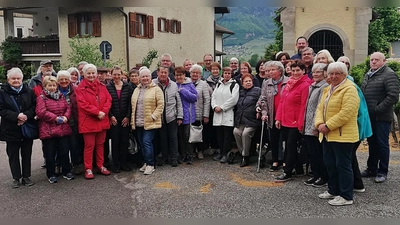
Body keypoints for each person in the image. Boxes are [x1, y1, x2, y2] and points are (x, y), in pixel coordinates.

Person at [315, 62, 360, 206]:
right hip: (328, 135)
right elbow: (319, 109)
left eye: (337, 73)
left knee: (343, 165)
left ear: (344, 74)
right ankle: (333, 190)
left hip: (343, 135)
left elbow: (347, 112)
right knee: (330, 164)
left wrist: (328, 125)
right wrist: (319, 124)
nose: (333, 76)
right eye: (331, 73)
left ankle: (346, 195)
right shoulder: (328, 89)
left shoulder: (350, 89)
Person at [360, 52, 400, 183]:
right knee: (372, 143)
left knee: (382, 144)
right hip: (369, 116)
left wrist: (378, 109)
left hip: (381, 117)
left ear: (384, 61)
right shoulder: (368, 74)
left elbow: (393, 96)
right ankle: (371, 168)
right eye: (372, 60)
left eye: (377, 60)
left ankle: (382, 171)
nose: (373, 62)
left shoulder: (389, 74)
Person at [274, 60, 310, 182]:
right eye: (293, 70)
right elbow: (282, 102)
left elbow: (304, 106)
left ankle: (287, 171)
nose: (295, 73)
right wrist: (278, 118)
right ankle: (298, 168)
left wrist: (300, 124)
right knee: (289, 146)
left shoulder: (305, 85)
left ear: (303, 71)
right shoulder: (289, 83)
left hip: (295, 123)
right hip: (285, 121)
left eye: (298, 70)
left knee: (290, 146)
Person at [0, 67, 36, 188]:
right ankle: (16, 177)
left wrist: (25, 116)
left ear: (22, 79)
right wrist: (16, 116)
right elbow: (1, 109)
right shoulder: (2, 92)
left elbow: (34, 107)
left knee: (27, 153)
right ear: (8, 79)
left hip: (26, 128)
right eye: (13, 78)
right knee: (13, 154)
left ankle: (26, 176)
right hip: (10, 128)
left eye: (18, 78)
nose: (16, 80)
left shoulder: (29, 91)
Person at [76, 63, 112, 179]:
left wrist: (104, 112)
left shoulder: (102, 86)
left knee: (100, 144)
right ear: (84, 74)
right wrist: (97, 112)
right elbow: (83, 105)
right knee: (89, 146)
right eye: (89, 73)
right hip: (89, 121)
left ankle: (100, 165)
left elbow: (108, 100)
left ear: (96, 74)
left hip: (101, 120)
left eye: (93, 73)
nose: (91, 75)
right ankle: (88, 168)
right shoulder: (80, 88)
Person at [36, 75, 74, 183]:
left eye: (54, 85)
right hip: (49, 130)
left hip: (63, 128)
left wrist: (66, 117)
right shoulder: (41, 97)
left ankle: (66, 171)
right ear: (45, 86)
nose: (52, 87)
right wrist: (55, 118)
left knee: (64, 152)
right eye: (50, 85)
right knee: (50, 154)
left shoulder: (61, 96)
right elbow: (41, 112)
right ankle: (51, 174)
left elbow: (68, 107)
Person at [131, 67, 164, 175]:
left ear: (150, 77)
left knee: (146, 142)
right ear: (140, 78)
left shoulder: (156, 89)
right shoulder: (137, 89)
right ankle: (146, 162)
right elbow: (133, 106)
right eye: (143, 76)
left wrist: (153, 116)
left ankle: (150, 164)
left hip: (150, 121)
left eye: (147, 76)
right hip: (138, 121)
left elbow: (160, 105)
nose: (145, 78)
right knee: (141, 143)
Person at [257, 61, 289, 171]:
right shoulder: (266, 83)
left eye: (272, 70)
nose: (270, 72)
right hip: (272, 114)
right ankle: (276, 160)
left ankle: (285, 161)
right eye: (268, 70)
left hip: (285, 115)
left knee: (285, 140)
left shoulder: (288, 81)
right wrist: (264, 114)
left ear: (280, 71)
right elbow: (263, 99)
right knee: (274, 139)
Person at [302, 63, 329, 187]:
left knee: (319, 154)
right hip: (307, 125)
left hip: (315, 126)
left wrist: (315, 126)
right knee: (312, 153)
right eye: (313, 72)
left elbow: (320, 108)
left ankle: (323, 177)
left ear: (324, 73)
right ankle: (316, 175)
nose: (315, 74)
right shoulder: (312, 86)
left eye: (318, 72)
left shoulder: (324, 87)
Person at [153, 65, 183, 167]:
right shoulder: (153, 84)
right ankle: (164, 157)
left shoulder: (174, 85)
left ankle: (174, 158)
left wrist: (180, 116)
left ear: (168, 74)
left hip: (172, 116)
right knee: (163, 138)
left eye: (165, 72)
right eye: (161, 72)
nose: (163, 74)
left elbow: (178, 102)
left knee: (173, 138)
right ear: (157, 73)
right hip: (159, 118)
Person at [106, 66, 133, 173]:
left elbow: (131, 104)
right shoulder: (107, 87)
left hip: (125, 118)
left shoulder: (128, 86)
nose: (116, 76)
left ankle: (124, 163)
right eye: (114, 74)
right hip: (114, 119)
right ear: (111, 75)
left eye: (118, 74)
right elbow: (106, 103)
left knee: (124, 141)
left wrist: (128, 117)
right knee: (115, 142)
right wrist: (111, 116)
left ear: (122, 75)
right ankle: (116, 164)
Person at [231, 73, 261, 167]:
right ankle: (242, 152)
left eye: (249, 81)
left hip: (252, 120)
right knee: (236, 132)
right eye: (246, 81)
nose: (248, 83)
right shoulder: (240, 92)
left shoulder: (257, 91)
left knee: (246, 133)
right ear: (242, 83)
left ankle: (245, 156)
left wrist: (258, 108)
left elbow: (261, 100)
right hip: (241, 119)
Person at [211, 67, 239, 163]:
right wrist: (214, 107)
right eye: (225, 73)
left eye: (229, 73)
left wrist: (222, 107)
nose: (227, 75)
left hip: (228, 113)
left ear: (231, 75)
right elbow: (213, 97)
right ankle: (221, 152)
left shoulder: (234, 85)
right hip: (217, 114)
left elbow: (233, 99)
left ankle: (225, 153)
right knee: (219, 135)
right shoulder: (219, 84)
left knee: (227, 136)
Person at [57, 70, 82, 175]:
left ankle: (76, 164)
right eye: (61, 79)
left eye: (66, 79)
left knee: (74, 145)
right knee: (62, 147)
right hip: (59, 123)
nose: (64, 81)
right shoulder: (54, 90)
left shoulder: (76, 90)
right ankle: (64, 166)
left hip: (73, 122)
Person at [174, 66, 198, 164]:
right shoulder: (174, 85)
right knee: (180, 137)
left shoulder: (189, 84)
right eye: (177, 75)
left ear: (184, 75)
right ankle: (183, 155)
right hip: (177, 115)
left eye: (181, 75)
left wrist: (183, 91)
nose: (179, 77)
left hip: (188, 115)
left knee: (188, 136)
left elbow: (194, 97)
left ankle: (190, 155)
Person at [189, 64, 211, 160]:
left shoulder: (204, 84)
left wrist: (206, 115)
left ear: (200, 74)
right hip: (188, 114)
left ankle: (200, 151)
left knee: (199, 133)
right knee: (190, 133)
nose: (195, 74)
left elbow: (207, 100)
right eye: (193, 72)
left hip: (199, 113)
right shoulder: (187, 83)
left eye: (197, 73)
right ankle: (192, 151)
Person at [204, 62, 222, 156]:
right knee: (211, 129)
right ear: (210, 71)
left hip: (221, 108)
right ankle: (212, 147)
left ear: (219, 70)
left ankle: (219, 147)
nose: (215, 71)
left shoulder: (223, 81)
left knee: (219, 129)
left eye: (217, 69)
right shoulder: (206, 81)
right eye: (213, 69)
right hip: (211, 108)